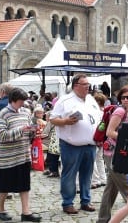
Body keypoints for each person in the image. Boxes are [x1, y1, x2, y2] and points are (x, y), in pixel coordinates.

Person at [50, 74, 102, 215]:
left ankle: (86, 200)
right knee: (70, 174)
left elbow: (98, 118)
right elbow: (53, 119)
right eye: (84, 84)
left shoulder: (91, 99)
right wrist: (65, 121)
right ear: (76, 86)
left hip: (90, 144)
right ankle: (68, 203)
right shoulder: (64, 100)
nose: (88, 87)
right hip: (71, 145)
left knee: (87, 175)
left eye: (88, 84)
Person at [97, 86, 128, 223]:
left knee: (111, 188)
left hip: (122, 153)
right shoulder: (119, 111)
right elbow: (109, 132)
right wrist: (127, 139)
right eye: (123, 97)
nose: (125, 100)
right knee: (127, 187)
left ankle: (102, 219)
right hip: (112, 153)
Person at [0, 88, 41, 222]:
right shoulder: (4, 113)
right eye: (21, 101)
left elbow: (28, 131)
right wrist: (21, 129)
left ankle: (26, 212)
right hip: (6, 157)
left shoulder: (26, 111)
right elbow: (2, 135)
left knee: (24, 184)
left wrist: (33, 131)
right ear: (13, 100)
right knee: (4, 186)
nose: (23, 104)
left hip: (23, 155)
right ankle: (0, 209)